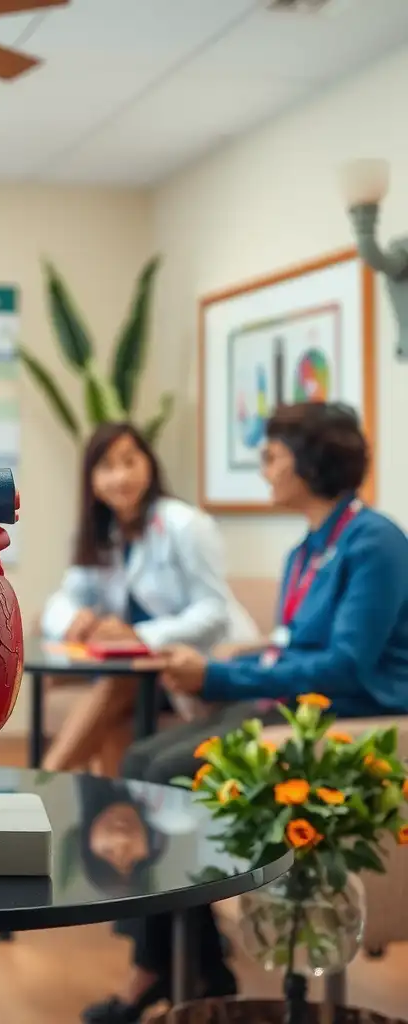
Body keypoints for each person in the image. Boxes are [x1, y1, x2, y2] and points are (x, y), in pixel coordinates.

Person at [85, 402, 408, 1023]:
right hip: (288, 707)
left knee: (165, 769)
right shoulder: (310, 548)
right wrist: (239, 658)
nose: (263, 469)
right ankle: (192, 961)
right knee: (140, 756)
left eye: (271, 456)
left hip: (343, 720)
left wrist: (219, 673)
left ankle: (161, 968)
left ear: (310, 462)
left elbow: (343, 665)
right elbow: (294, 646)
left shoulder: (375, 543)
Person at [40, 423, 256, 775]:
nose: (120, 477)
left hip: (204, 659)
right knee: (118, 689)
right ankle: (103, 817)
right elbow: (62, 599)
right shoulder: (99, 533)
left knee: (119, 680)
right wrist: (74, 620)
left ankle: (46, 780)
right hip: (146, 671)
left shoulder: (186, 525)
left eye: (130, 462)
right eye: (107, 467)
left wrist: (141, 637)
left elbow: (214, 610)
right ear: (91, 479)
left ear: (149, 465)